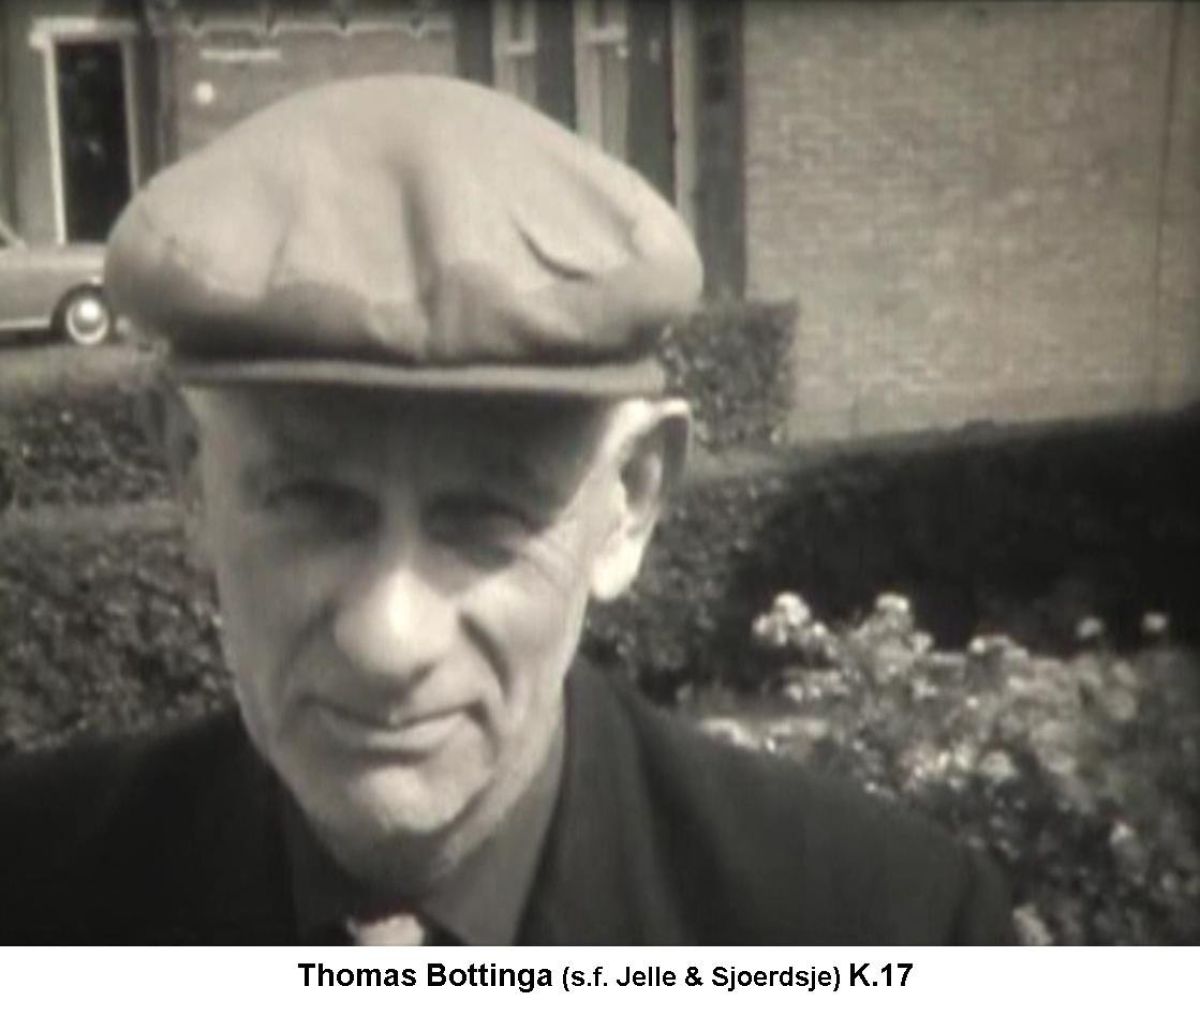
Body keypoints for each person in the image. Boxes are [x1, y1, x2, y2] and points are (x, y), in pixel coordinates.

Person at [0, 75, 1014, 945]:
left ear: (628, 502)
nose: (389, 640)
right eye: (310, 502)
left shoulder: (890, 929)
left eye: (487, 516)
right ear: (188, 474)